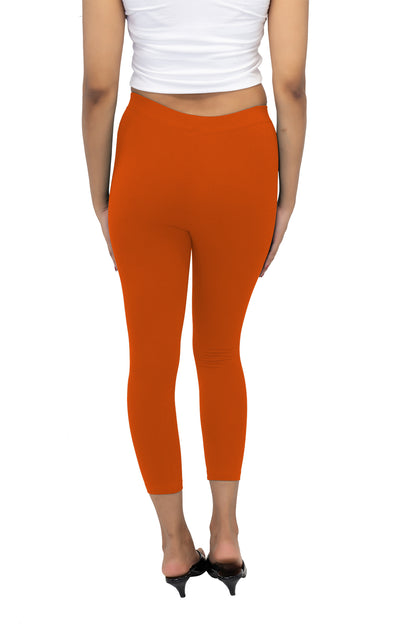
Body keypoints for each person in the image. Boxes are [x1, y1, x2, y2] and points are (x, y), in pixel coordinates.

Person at [81, 0, 308, 597]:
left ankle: (174, 544)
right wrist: (286, 198)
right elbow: (290, 84)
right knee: (220, 352)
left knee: (151, 365)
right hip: (242, 157)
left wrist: (100, 197)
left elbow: (100, 88)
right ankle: (226, 533)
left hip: (148, 158)